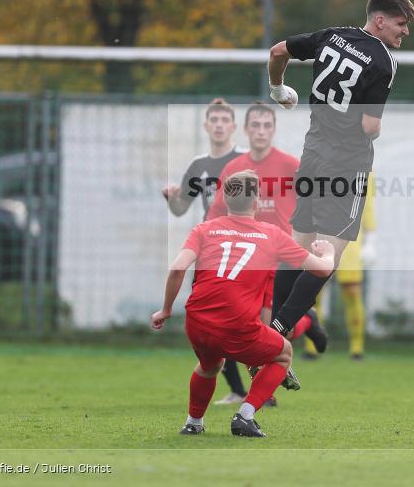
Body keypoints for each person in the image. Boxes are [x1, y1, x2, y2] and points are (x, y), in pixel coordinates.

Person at [265, 0, 414, 337]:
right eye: (400, 23)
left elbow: (277, 51)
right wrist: (375, 129)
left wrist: (277, 89)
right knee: (326, 260)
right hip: (346, 165)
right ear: (379, 21)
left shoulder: (332, 36)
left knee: (296, 250)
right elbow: (370, 126)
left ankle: (271, 334)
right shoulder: (383, 62)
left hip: (313, 154)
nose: (405, 31)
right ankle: (276, 333)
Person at [151, 170, 335, 438]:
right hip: (237, 325)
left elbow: (178, 267)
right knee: (283, 353)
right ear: (257, 200)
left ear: (225, 198)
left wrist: (166, 310)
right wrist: (327, 253)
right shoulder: (272, 234)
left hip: (197, 322)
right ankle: (245, 416)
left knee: (209, 365)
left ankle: (193, 422)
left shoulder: (204, 229)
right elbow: (321, 270)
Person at [207, 102, 328, 359]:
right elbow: (216, 211)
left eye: (266, 126)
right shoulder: (234, 169)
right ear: (246, 130)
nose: (261, 131)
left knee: (273, 327)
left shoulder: (290, 165)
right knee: (251, 326)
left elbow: (316, 200)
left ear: (273, 130)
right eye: (256, 126)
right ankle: (307, 320)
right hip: (248, 257)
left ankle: (305, 322)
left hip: (282, 256)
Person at [161, 98, 249, 406]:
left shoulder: (245, 161)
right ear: (207, 126)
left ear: (234, 127)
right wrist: (171, 198)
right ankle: (240, 390)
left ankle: (256, 382)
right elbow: (180, 208)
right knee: (214, 319)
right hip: (210, 250)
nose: (220, 125)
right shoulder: (199, 166)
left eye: (225, 120)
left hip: (244, 250)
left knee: (248, 317)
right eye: (215, 120)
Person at [304, 174, 376, 361]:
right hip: (320, 237)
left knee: (352, 292)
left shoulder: (363, 172)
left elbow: (367, 207)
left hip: (350, 241)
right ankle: (311, 347)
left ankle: (357, 348)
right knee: (313, 292)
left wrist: (371, 240)